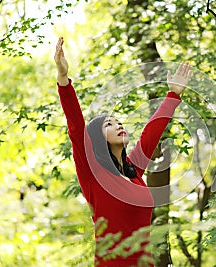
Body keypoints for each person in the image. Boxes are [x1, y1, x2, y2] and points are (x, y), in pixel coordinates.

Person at [54, 37, 191, 266]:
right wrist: (63, 79)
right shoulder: (93, 174)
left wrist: (173, 95)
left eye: (118, 121)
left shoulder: (133, 170)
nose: (118, 125)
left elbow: (150, 134)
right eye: (109, 124)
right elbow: (76, 127)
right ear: (97, 139)